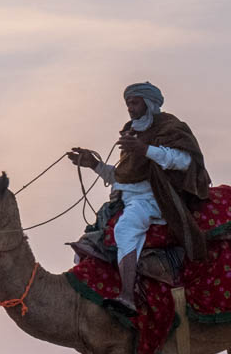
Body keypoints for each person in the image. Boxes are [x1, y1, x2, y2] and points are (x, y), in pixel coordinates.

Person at [67, 82, 211, 314]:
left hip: (155, 199)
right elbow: (124, 176)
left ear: (149, 103)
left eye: (134, 102)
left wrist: (145, 149)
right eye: (128, 104)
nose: (130, 108)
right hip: (126, 198)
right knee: (87, 243)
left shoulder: (170, 127)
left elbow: (184, 161)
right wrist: (93, 164)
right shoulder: (132, 133)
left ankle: (128, 296)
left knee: (125, 229)